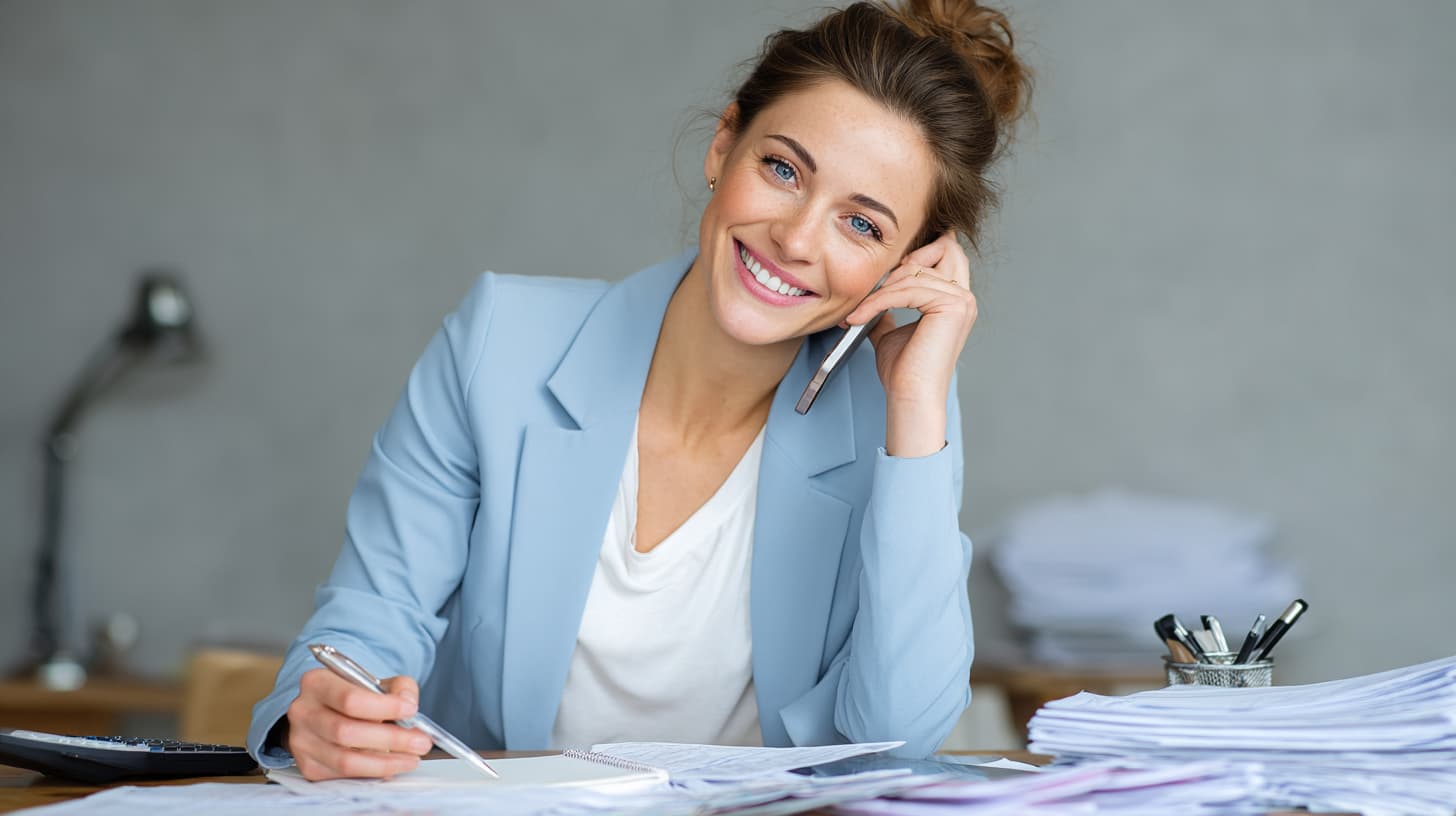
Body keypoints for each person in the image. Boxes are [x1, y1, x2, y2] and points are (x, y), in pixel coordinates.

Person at [247, 0, 1031, 781]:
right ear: (725, 143)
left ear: (907, 268)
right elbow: (371, 616)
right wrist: (324, 713)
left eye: (862, 226)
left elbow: (899, 737)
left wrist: (921, 404)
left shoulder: (898, 427)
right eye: (783, 170)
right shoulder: (502, 344)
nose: (796, 240)